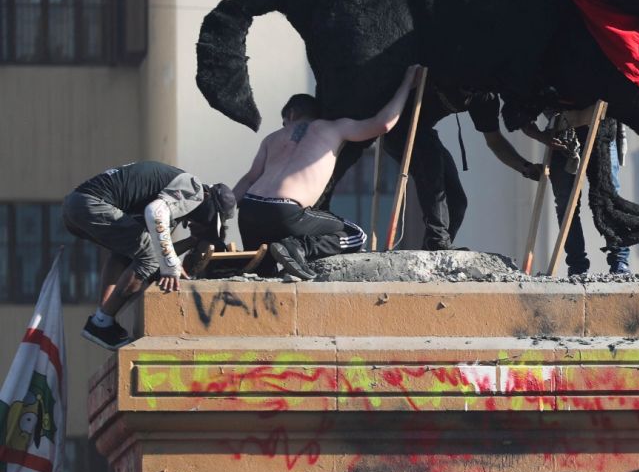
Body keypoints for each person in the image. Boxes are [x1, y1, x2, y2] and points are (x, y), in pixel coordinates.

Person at [232, 66, 421, 279]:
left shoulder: (272, 138)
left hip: (248, 211)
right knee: (356, 234)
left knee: (264, 274)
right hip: (285, 212)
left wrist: (224, 209)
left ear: (291, 114)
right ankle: (298, 247)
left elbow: (249, 179)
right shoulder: (334, 128)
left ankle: (278, 258)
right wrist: (407, 83)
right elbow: (384, 124)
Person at [63, 162, 236, 350]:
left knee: (127, 254)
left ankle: (104, 317)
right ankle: (101, 323)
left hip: (74, 206)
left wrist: (191, 242)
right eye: (209, 222)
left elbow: (156, 246)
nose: (201, 225)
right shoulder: (193, 189)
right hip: (93, 204)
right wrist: (170, 265)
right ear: (210, 209)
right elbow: (154, 215)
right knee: (148, 258)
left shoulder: (168, 200)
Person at [406, 87, 543, 251]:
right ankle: (437, 242)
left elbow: (495, 142)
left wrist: (525, 167)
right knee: (433, 175)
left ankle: (433, 254)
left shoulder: (484, 97)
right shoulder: (447, 71)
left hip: (425, 131)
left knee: (456, 203)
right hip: (401, 127)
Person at [524, 115, 630, 275]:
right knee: (567, 206)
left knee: (609, 199)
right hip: (563, 137)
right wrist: (543, 137)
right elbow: (519, 116)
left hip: (602, 130)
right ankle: (577, 267)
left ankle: (620, 262)